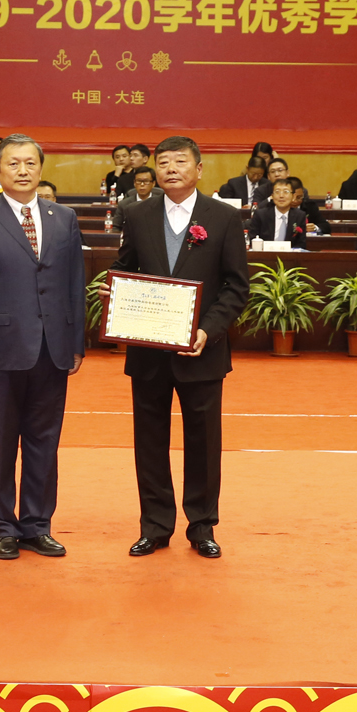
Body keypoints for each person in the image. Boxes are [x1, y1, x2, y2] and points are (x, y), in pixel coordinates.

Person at [112, 135, 250, 559]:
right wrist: (115, 292)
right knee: (149, 442)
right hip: (148, 352)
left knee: (204, 443)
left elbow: (236, 286)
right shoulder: (136, 214)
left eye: (180, 161)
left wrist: (208, 330)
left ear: (199, 169)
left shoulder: (224, 217)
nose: (171, 169)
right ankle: (155, 526)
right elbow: (124, 266)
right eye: (164, 162)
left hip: (202, 351)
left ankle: (202, 526)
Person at [0, 133, 87, 560]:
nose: (23, 171)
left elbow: (74, 284)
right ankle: (5, 525)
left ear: (41, 168)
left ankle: (36, 524)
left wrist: (76, 342)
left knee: (44, 440)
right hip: (0, 349)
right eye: (13, 164)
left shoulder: (63, 218)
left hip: (53, 347)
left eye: (30, 163)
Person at [248, 176, 309, 246]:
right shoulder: (261, 215)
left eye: (286, 192)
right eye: (277, 192)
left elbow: (301, 244)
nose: (281, 196)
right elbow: (253, 239)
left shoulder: (299, 216)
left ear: (293, 196)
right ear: (272, 196)